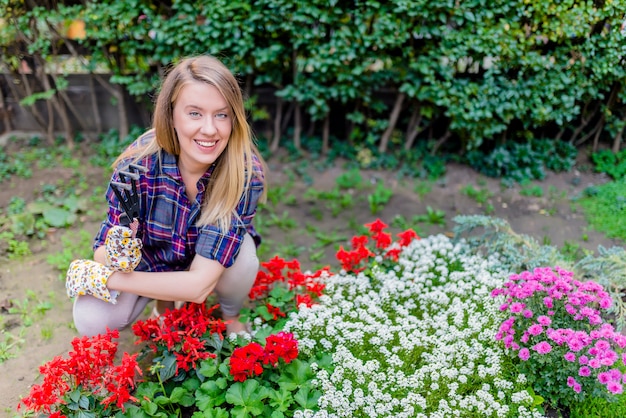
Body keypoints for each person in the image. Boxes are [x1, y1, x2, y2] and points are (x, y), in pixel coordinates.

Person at [66, 55, 267, 337]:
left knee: (244, 255)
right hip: (148, 261)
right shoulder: (137, 166)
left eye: (221, 114)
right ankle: (164, 302)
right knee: (91, 316)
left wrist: (109, 279)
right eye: (194, 113)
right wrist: (116, 260)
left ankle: (230, 315)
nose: (210, 129)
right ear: (171, 115)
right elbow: (103, 251)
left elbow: (198, 287)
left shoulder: (243, 173)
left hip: (206, 261)